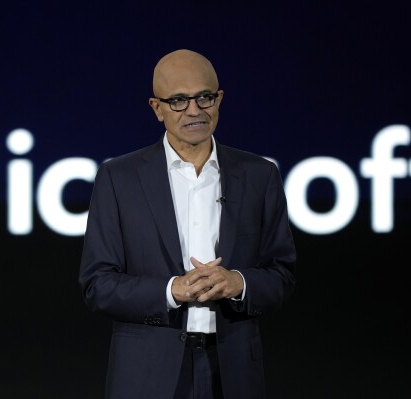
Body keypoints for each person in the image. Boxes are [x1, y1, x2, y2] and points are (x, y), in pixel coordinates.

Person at [79, 49, 296, 399]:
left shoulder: (259, 175)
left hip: (234, 370)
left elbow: (281, 274)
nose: (194, 110)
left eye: (204, 97)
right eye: (178, 100)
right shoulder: (119, 178)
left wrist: (237, 282)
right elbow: (97, 284)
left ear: (219, 99)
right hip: (147, 373)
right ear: (157, 108)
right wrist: (172, 290)